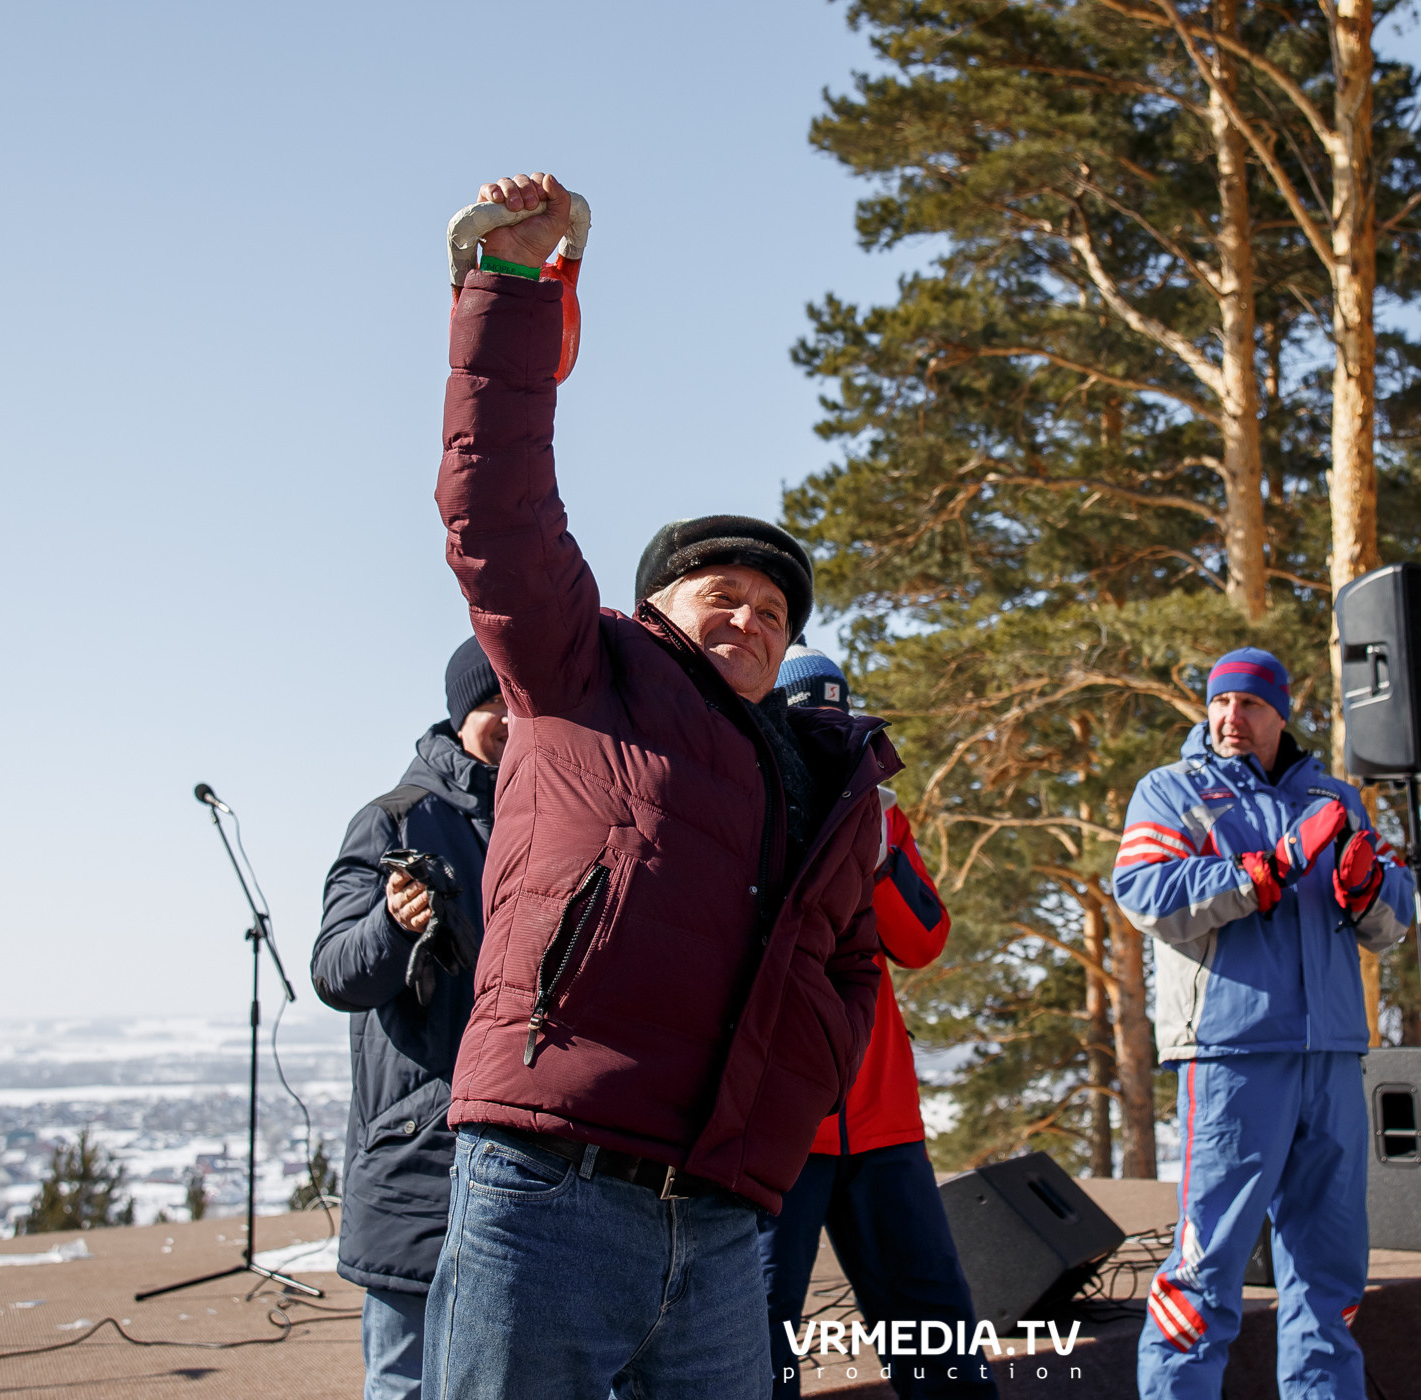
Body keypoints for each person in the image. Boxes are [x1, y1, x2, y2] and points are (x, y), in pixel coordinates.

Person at [423, 172, 896, 1400]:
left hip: (727, 1219)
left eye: (775, 611)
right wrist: (511, 288)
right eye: (722, 593)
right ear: (657, 608)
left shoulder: (816, 775)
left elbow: (852, 956)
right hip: (547, 1184)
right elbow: (498, 505)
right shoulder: (584, 671)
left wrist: (801, 1080)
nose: (751, 617)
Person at [1112, 648, 1415, 1400]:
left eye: (1248, 703)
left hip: (1332, 1055)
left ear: (1281, 712)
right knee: (1207, 1264)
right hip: (1231, 1056)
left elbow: (1396, 918)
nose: (1230, 717)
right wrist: (1263, 870)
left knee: (1330, 1267)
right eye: (1219, 702)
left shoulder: (1336, 797)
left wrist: (1369, 886)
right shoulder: (1172, 790)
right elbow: (1143, 892)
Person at [757, 646, 996, 1400]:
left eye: (839, 718)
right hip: (780, 1122)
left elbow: (922, 941)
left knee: (934, 1321)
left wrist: (882, 852)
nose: (827, 735)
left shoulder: (885, 814)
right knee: (757, 1332)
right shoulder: (746, 798)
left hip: (883, 1119)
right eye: (808, 720)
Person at [313, 636, 507, 1400]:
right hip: (420, 1154)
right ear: (461, 712)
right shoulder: (394, 820)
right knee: (407, 1383)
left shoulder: (553, 817)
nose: (512, 718)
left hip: (525, 1159)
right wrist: (394, 926)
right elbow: (335, 970)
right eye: (494, 701)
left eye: (524, 700)